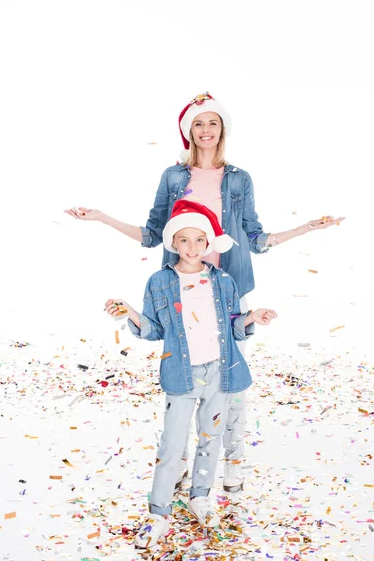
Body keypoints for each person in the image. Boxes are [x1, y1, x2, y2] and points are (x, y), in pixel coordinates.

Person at [65, 92, 344, 492]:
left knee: (230, 380)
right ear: (188, 131)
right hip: (179, 288)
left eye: (213, 123)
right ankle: (178, 462)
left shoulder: (240, 178)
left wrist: (306, 229)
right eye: (198, 123)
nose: (206, 130)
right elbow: (151, 234)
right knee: (181, 377)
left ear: (223, 129)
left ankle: (232, 461)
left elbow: (256, 237)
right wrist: (101, 217)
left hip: (227, 289)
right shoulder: (174, 177)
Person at [104, 199, 277, 548]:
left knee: (209, 440)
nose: (192, 247)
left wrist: (252, 317)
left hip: (221, 373)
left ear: (210, 242)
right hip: (181, 375)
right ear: (172, 243)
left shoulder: (224, 281)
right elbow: (153, 330)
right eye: (184, 240)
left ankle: (200, 495)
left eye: (200, 239)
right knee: (172, 445)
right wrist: (131, 312)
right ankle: (159, 513)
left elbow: (233, 327)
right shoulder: (160, 281)